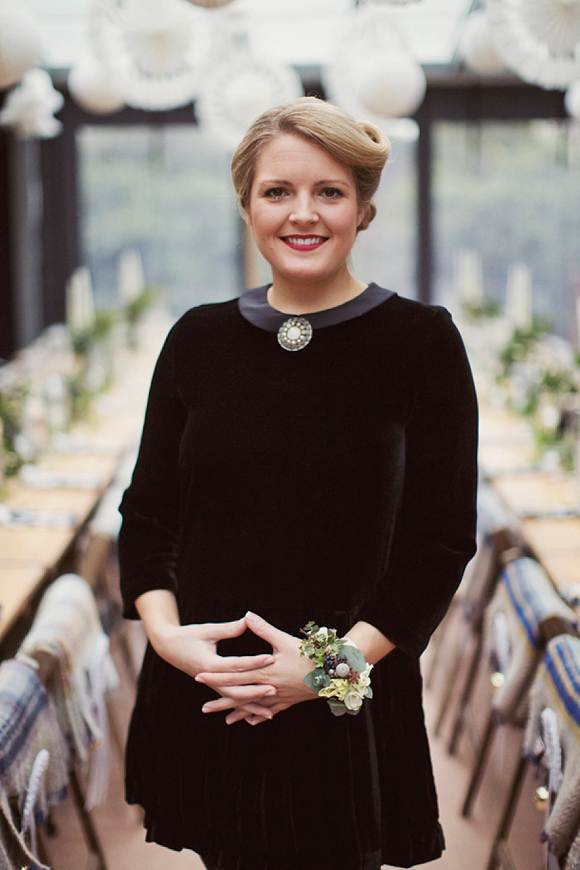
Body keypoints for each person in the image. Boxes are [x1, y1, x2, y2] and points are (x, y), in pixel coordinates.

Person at [118, 96, 478, 870]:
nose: (302, 214)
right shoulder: (197, 339)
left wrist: (323, 673)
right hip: (211, 686)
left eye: (330, 192)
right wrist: (174, 644)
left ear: (364, 209)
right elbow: (148, 519)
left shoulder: (421, 341)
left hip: (347, 692)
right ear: (247, 204)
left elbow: (439, 542)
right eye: (278, 191)